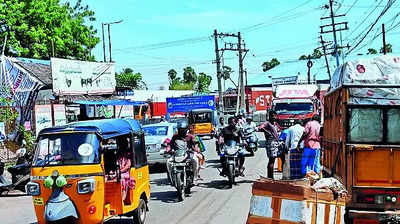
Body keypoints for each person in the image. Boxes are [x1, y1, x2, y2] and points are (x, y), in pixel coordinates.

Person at [257, 110, 282, 179]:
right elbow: (260, 127)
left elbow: (279, 130)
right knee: (272, 160)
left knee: (281, 157)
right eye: (272, 116)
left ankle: (271, 176)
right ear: (269, 116)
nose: (274, 117)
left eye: (275, 116)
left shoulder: (275, 123)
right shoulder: (267, 123)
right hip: (271, 143)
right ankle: (270, 177)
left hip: (277, 142)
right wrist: (266, 131)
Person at [117, 138, 135, 204]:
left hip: (126, 173)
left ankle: (122, 198)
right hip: (118, 172)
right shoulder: (117, 153)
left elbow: (128, 165)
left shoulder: (128, 153)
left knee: (121, 179)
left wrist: (120, 171)